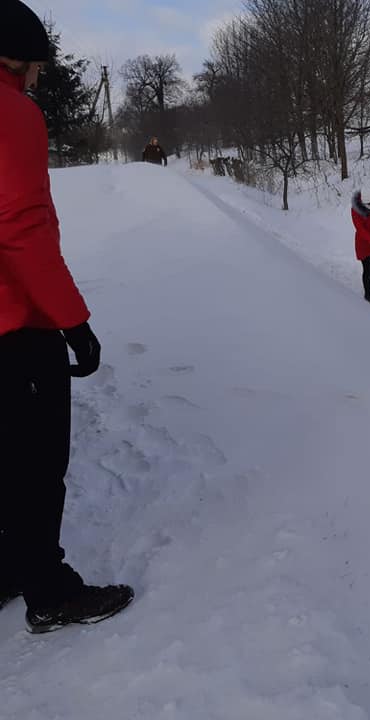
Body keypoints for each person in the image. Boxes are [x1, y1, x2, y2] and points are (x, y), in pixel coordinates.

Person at [0, 0, 134, 633]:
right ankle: (48, 590)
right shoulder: (13, 114)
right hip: (16, 326)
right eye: (35, 68)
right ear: (16, 61)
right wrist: (73, 322)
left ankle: (9, 565)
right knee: (36, 461)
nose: (37, 81)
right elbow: (22, 228)